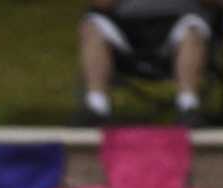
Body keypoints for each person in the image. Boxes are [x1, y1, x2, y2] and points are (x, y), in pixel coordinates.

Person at [79, 0, 212, 126]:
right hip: (124, 29)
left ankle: (188, 107)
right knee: (93, 26)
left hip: (179, 23)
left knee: (193, 28)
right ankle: (96, 107)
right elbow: (101, 3)